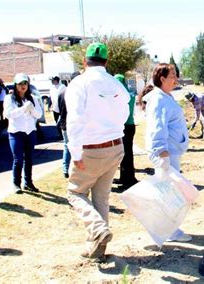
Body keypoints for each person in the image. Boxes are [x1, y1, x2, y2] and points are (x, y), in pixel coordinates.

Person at [66, 43, 129, 259]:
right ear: (106, 61)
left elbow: (74, 120)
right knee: (101, 197)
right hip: (115, 146)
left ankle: (98, 230)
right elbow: (124, 112)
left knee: (75, 192)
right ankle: (97, 248)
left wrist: (75, 154)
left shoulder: (79, 83)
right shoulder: (116, 84)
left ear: (85, 61)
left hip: (91, 149)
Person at [145, 63, 192, 242]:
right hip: (166, 153)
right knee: (168, 193)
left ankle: (168, 229)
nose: (176, 78)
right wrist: (161, 152)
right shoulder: (159, 99)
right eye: (172, 75)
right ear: (162, 78)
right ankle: (168, 230)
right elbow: (157, 128)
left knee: (169, 191)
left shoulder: (165, 96)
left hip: (171, 152)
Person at [4, 73, 43, 193]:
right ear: (15, 85)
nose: (23, 86)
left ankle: (28, 183)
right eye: (20, 83)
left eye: (25, 83)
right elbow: (9, 114)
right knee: (18, 159)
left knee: (29, 158)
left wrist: (31, 109)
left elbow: (39, 115)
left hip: (30, 132)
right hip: (16, 132)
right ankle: (16, 183)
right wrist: (23, 109)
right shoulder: (9, 98)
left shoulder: (33, 98)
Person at [114, 74, 138, 190]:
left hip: (125, 126)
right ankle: (124, 177)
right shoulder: (130, 93)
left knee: (126, 155)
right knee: (126, 154)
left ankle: (129, 180)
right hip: (130, 125)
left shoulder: (122, 96)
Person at [57, 71, 81, 178]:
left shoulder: (62, 93)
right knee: (77, 148)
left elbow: (57, 109)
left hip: (64, 124)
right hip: (74, 124)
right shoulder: (77, 93)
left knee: (67, 147)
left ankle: (65, 169)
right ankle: (74, 170)